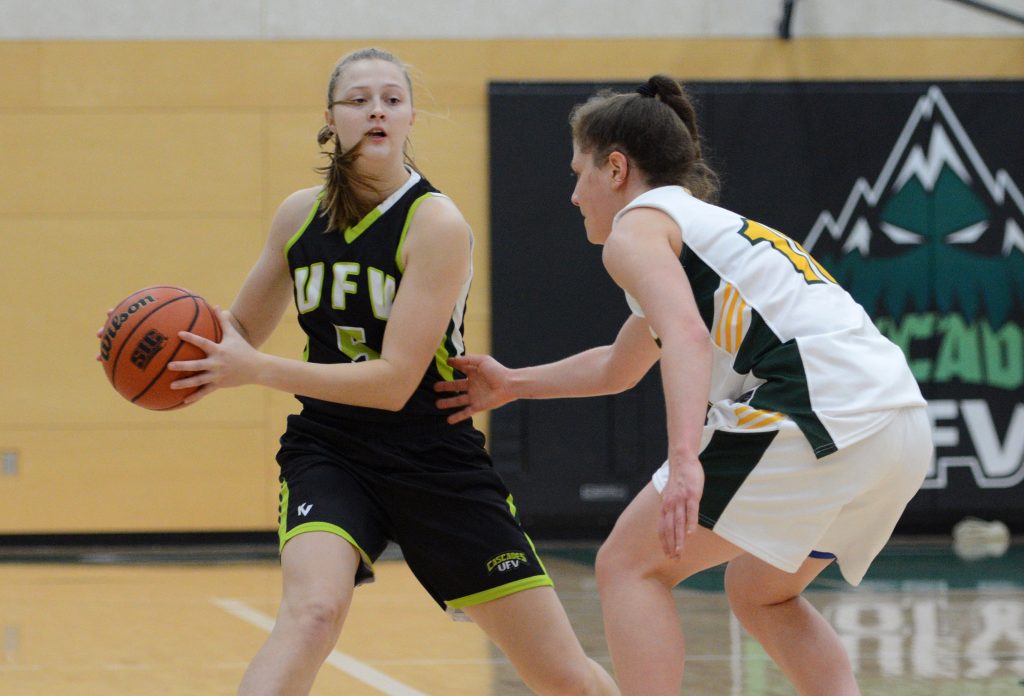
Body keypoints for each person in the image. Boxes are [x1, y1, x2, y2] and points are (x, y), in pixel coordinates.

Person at [435, 75, 932, 696]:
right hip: (900, 424)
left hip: (814, 406)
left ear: (615, 168)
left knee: (627, 566)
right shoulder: (703, 230)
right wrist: (513, 384)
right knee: (761, 593)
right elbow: (622, 364)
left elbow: (688, 337)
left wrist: (685, 459)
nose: (573, 194)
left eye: (578, 172)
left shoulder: (637, 229)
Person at [166, 48, 619, 696]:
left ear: (409, 118)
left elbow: (394, 381)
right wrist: (155, 338)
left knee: (563, 676)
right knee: (312, 613)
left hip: (434, 456)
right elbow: (237, 330)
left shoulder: (435, 224)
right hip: (331, 450)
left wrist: (259, 370)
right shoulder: (299, 217)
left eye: (392, 98)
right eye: (358, 99)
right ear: (330, 119)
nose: (376, 109)